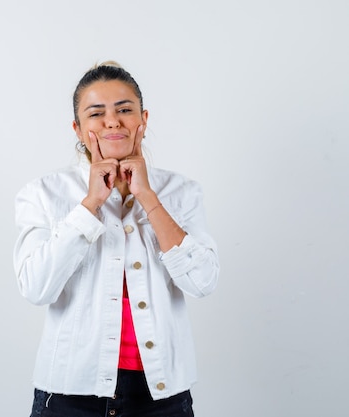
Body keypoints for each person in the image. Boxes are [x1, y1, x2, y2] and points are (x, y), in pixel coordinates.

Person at [13, 61, 219, 417]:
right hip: (69, 395)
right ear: (78, 129)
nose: (112, 121)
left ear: (144, 118)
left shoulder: (181, 192)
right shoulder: (44, 193)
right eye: (97, 113)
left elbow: (203, 281)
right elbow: (36, 288)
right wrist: (91, 203)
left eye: (124, 109)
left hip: (162, 397)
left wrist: (148, 198)